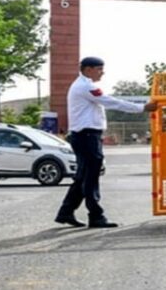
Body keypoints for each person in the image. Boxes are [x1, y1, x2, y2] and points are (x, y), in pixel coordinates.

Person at [55, 56, 157, 228]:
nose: (103, 72)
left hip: (84, 136)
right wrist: (142, 108)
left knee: (82, 177)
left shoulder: (82, 85)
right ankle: (96, 216)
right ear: (88, 69)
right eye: (99, 69)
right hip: (87, 136)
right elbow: (111, 102)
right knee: (91, 177)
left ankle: (66, 212)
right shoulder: (86, 86)